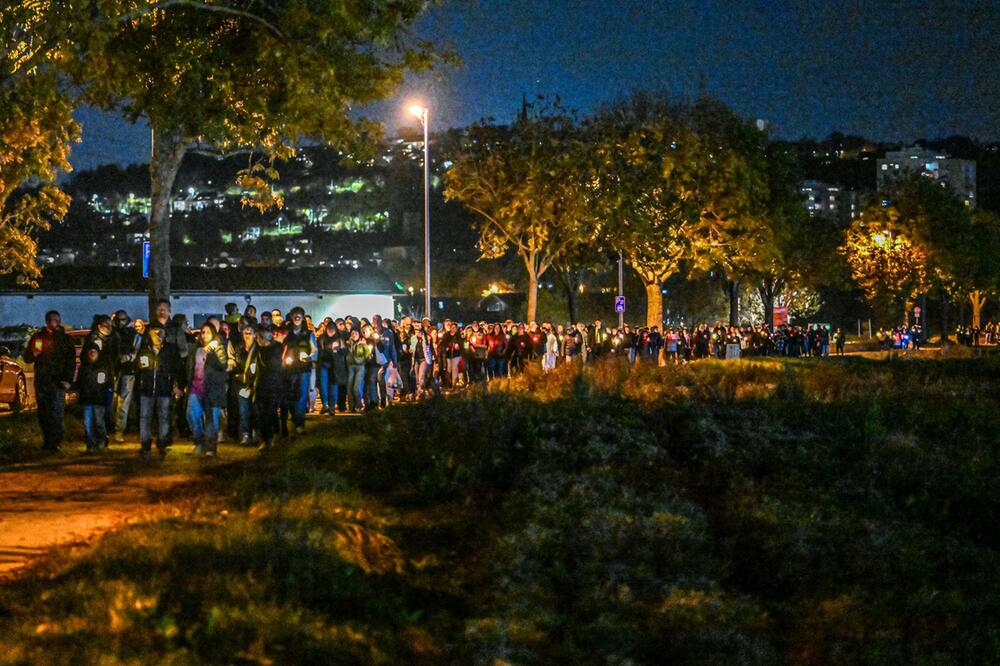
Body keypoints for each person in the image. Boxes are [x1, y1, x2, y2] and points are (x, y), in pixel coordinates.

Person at [23, 310, 76, 452]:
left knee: (56, 413)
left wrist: (67, 380)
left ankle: (55, 442)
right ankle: (47, 442)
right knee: (44, 414)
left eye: (57, 320)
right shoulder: (38, 337)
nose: (56, 323)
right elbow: (27, 357)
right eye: (53, 320)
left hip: (58, 381)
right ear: (47, 321)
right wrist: (33, 354)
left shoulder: (65, 340)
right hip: (42, 381)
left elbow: (70, 362)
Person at [136, 323, 183, 459]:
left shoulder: (170, 350)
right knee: (144, 418)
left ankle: (162, 445)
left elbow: (177, 369)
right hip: (146, 389)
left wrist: (176, 385)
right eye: (154, 332)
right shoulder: (144, 349)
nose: (158, 335)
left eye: (160, 332)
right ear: (149, 333)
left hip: (164, 389)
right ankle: (145, 446)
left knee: (164, 418)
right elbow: (138, 369)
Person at [187, 323, 228, 457]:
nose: (204, 335)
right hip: (196, 386)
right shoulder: (195, 349)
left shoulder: (218, 348)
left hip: (212, 387)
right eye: (203, 332)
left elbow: (223, 365)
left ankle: (211, 446)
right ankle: (199, 441)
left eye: (208, 332)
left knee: (211, 419)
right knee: (192, 414)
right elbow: (190, 366)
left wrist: (211, 353)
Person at [282, 307, 317, 434]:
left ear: (303, 318)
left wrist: (309, 358)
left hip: (304, 368)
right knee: (291, 394)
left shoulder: (309, 334)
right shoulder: (286, 333)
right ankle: (294, 417)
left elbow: (315, 351)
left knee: (302, 395)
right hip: (289, 369)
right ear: (291, 317)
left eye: (299, 315)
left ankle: (299, 423)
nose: (297, 317)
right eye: (295, 315)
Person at [114, 318, 145, 442]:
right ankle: (119, 430)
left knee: (130, 402)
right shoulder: (132, 337)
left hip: (134, 372)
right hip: (128, 372)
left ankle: (126, 429)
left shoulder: (138, 338)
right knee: (123, 402)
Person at [77, 344, 111, 453]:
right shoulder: (84, 368)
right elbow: (79, 383)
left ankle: (101, 441)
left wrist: (106, 385)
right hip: (87, 399)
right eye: (90, 352)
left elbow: (107, 383)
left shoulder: (102, 367)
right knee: (88, 423)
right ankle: (90, 444)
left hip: (98, 399)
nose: (92, 354)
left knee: (99, 422)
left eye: (94, 352)